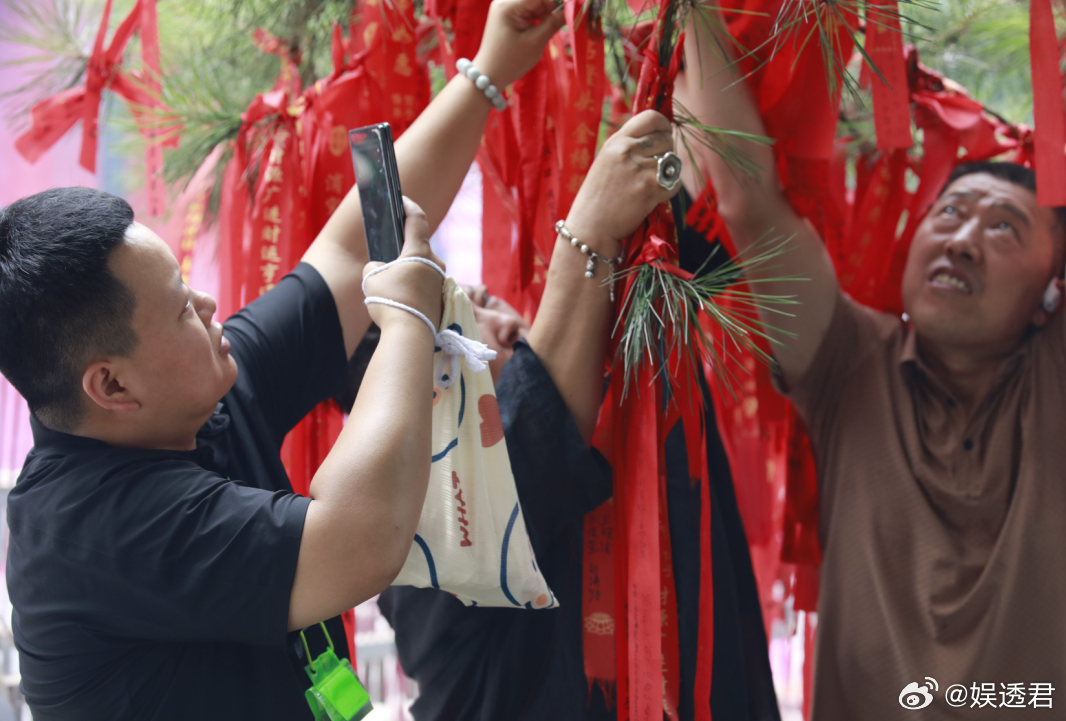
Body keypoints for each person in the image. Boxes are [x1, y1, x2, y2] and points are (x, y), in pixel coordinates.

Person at [0, 0, 565, 717]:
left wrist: (488, 71)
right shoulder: (100, 529)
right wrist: (406, 317)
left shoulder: (185, 397)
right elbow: (361, 538)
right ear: (112, 383)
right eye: (183, 309)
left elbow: (343, 256)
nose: (212, 305)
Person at [681, 4, 1066, 719]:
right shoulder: (847, 364)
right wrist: (694, 10)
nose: (962, 240)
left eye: (1004, 227)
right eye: (949, 213)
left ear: (1053, 290)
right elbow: (746, 194)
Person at [377, 109, 781, 719]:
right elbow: (521, 455)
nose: (498, 322)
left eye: (481, 300)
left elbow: (719, 230)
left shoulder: (634, 406)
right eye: (450, 338)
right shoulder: (420, 558)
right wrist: (588, 228)